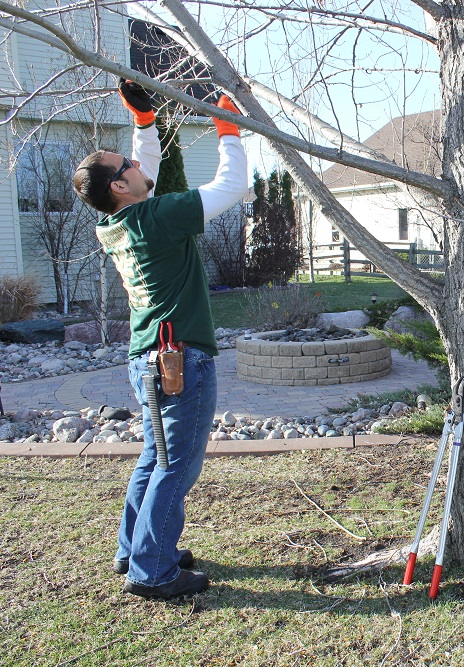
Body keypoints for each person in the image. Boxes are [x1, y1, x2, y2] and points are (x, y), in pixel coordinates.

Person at [72, 80, 248, 599]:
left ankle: (137, 548)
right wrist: (229, 131)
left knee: (155, 457)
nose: (133, 163)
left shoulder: (118, 224)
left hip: (148, 357)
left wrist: (145, 125)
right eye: (124, 164)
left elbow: (139, 173)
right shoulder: (159, 217)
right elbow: (232, 185)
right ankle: (152, 571)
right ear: (119, 187)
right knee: (176, 464)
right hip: (179, 361)